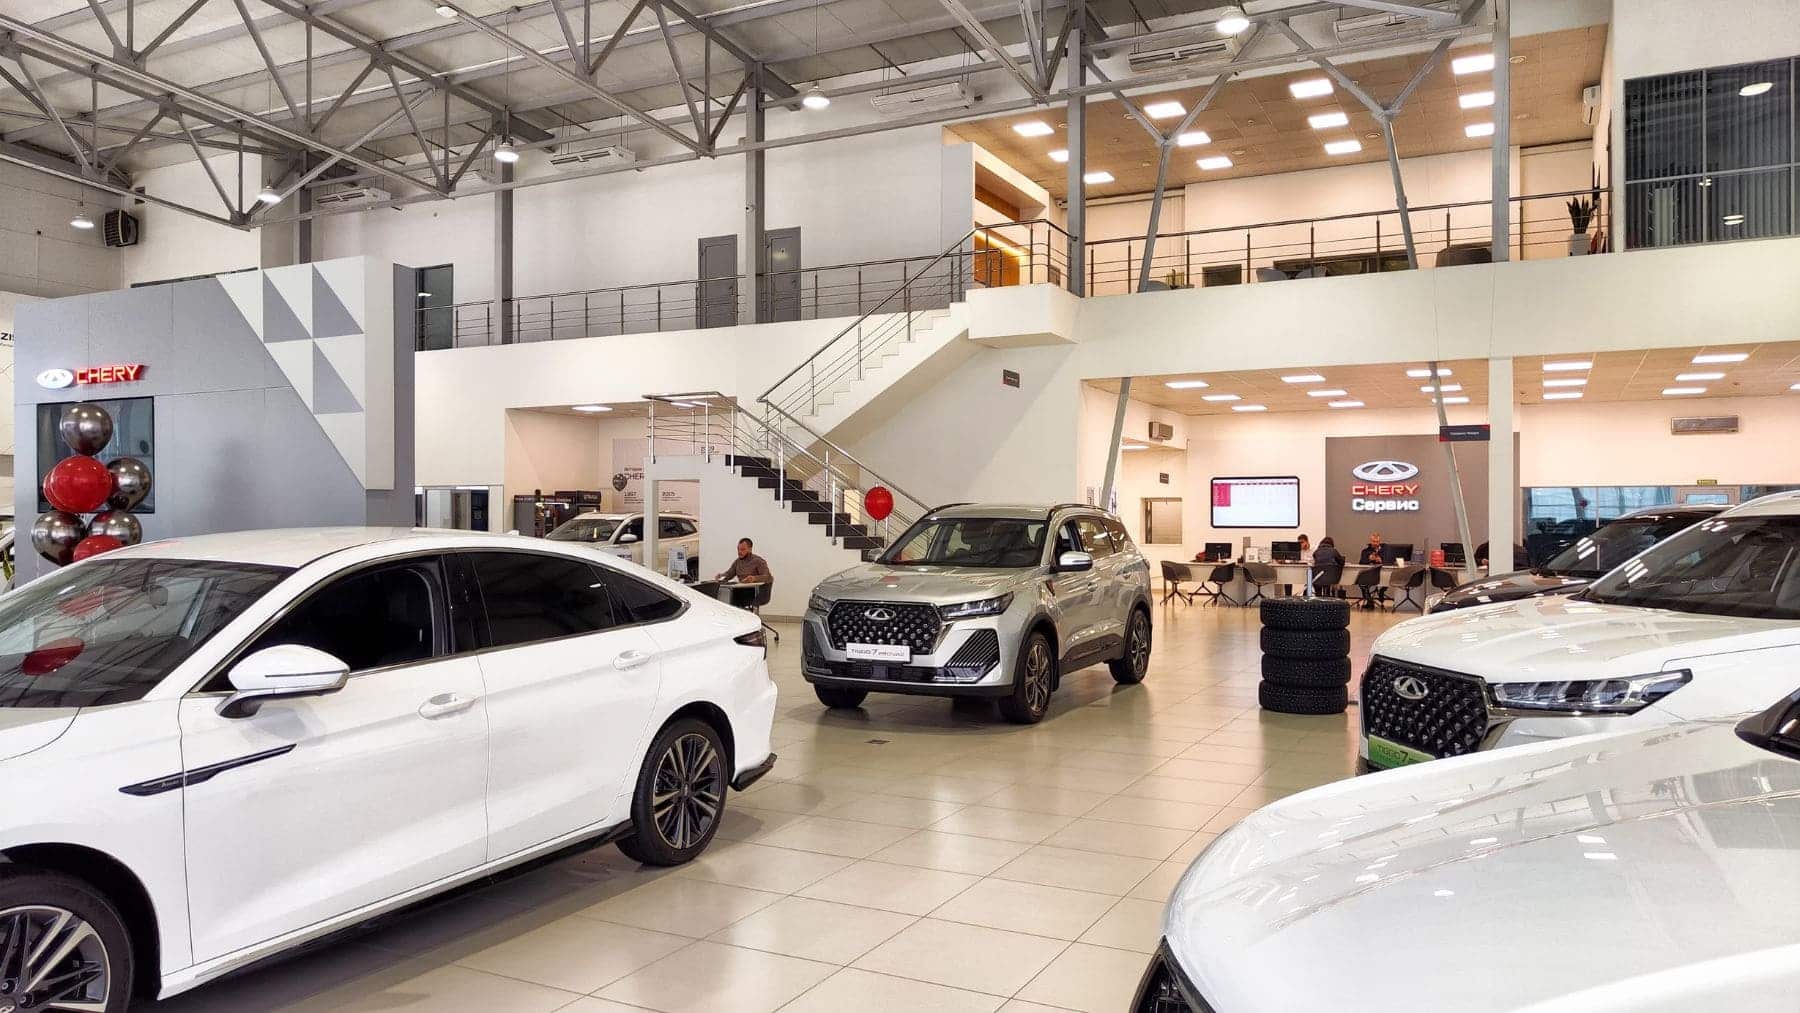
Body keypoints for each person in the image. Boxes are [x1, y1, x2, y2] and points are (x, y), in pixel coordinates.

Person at [1356, 532, 1389, 609]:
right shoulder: (1365, 551)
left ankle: (1381, 592)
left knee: (1388, 578)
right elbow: (1361, 563)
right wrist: (1369, 559)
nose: (1375, 543)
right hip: (1369, 575)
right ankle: (1369, 601)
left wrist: (1381, 560)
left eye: (1377, 541)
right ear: (1370, 541)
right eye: (1373, 541)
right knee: (1362, 582)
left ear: (1379, 542)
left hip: (1383, 575)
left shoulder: (1385, 551)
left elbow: (1390, 562)